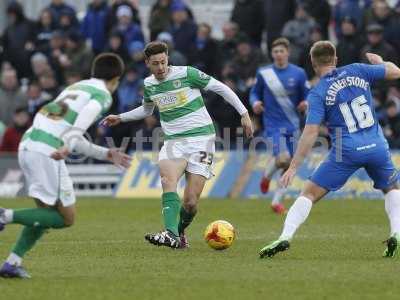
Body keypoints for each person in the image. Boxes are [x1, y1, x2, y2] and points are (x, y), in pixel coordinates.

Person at [102, 41, 253, 249]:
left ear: (168, 59)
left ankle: (179, 232)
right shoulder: (149, 84)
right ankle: (171, 234)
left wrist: (244, 113)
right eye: (155, 63)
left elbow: (220, 88)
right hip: (174, 142)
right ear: (147, 63)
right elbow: (147, 110)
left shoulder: (187, 74)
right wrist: (121, 117)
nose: (161, 67)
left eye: (163, 62)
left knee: (190, 202)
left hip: (202, 139)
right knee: (167, 179)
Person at [259, 41, 400, 259]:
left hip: (346, 150)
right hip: (377, 145)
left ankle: (285, 236)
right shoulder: (358, 70)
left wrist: (293, 167)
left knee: (308, 194)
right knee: (391, 188)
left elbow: (310, 132)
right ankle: (396, 232)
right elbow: (395, 72)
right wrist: (380, 62)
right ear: (335, 59)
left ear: (313, 64)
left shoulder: (317, 92)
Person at [0, 53, 131, 278]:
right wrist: (69, 143)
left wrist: (105, 153)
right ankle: (4, 215)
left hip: (29, 145)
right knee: (65, 217)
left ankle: (12, 263)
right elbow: (82, 123)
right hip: (48, 151)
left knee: (45, 212)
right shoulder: (102, 95)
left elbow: (71, 133)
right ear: (115, 79)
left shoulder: (76, 87)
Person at [250, 38, 309, 214]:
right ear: (272, 54)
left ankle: (276, 202)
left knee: (289, 165)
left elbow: (307, 94)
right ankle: (266, 177)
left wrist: (305, 102)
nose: (278, 54)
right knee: (283, 158)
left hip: (293, 124)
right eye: (275, 52)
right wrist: (255, 103)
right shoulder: (264, 73)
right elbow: (254, 93)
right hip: (274, 124)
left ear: (287, 53)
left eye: (281, 51)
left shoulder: (299, 73)